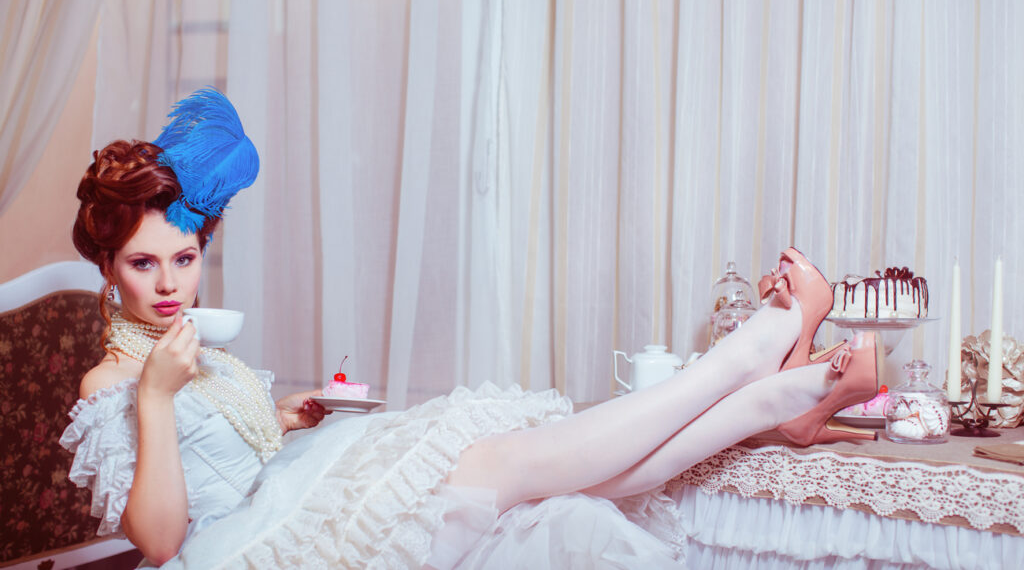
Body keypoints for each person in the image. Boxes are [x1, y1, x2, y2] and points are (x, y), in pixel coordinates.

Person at [61, 89, 878, 569]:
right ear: (108, 269)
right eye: (143, 264)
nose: (169, 284)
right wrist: (158, 400)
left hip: (294, 491)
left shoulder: (195, 351)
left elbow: (236, 456)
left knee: (565, 473)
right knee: (513, 463)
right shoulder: (115, 384)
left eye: (185, 258)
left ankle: (777, 399)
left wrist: (288, 414)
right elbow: (162, 541)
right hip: (254, 551)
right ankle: (759, 354)